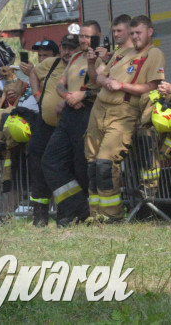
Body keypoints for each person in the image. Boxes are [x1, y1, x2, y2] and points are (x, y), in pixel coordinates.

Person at [84, 15, 165, 222]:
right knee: (92, 165)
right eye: (133, 33)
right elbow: (98, 78)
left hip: (123, 111)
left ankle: (112, 216)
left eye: (139, 33)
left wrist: (121, 86)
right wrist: (92, 65)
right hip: (99, 109)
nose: (135, 37)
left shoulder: (153, 54)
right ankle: (96, 216)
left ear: (150, 32)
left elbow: (152, 86)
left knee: (105, 163)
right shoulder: (122, 53)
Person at [43, 23, 101, 226]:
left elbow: (104, 88)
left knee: (80, 165)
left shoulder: (103, 58)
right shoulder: (76, 57)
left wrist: (83, 95)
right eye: (82, 37)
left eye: (88, 37)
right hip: (69, 113)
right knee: (50, 161)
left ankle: (75, 213)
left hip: (87, 113)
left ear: (97, 38)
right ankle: (76, 206)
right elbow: (61, 83)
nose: (84, 40)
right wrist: (67, 96)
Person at [23, 35, 75, 227]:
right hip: (44, 126)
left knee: (62, 170)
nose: (67, 52)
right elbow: (34, 73)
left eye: (71, 48)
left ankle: (65, 214)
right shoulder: (52, 63)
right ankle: (40, 217)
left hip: (66, 129)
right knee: (37, 168)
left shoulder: (80, 66)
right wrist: (37, 95)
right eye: (65, 47)